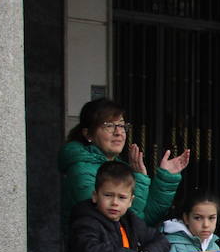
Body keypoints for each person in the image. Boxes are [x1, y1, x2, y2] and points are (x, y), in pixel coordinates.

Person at [59, 97, 189, 230]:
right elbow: (123, 225)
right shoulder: (80, 170)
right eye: (109, 125)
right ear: (88, 134)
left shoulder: (119, 167)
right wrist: (139, 180)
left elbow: (145, 220)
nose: (118, 132)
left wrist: (165, 179)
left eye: (121, 125)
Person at [66, 162, 170, 252]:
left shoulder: (131, 222)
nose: (114, 202)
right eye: (108, 195)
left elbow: (162, 241)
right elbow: (88, 251)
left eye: (122, 197)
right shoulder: (85, 221)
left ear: (130, 201)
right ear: (95, 196)